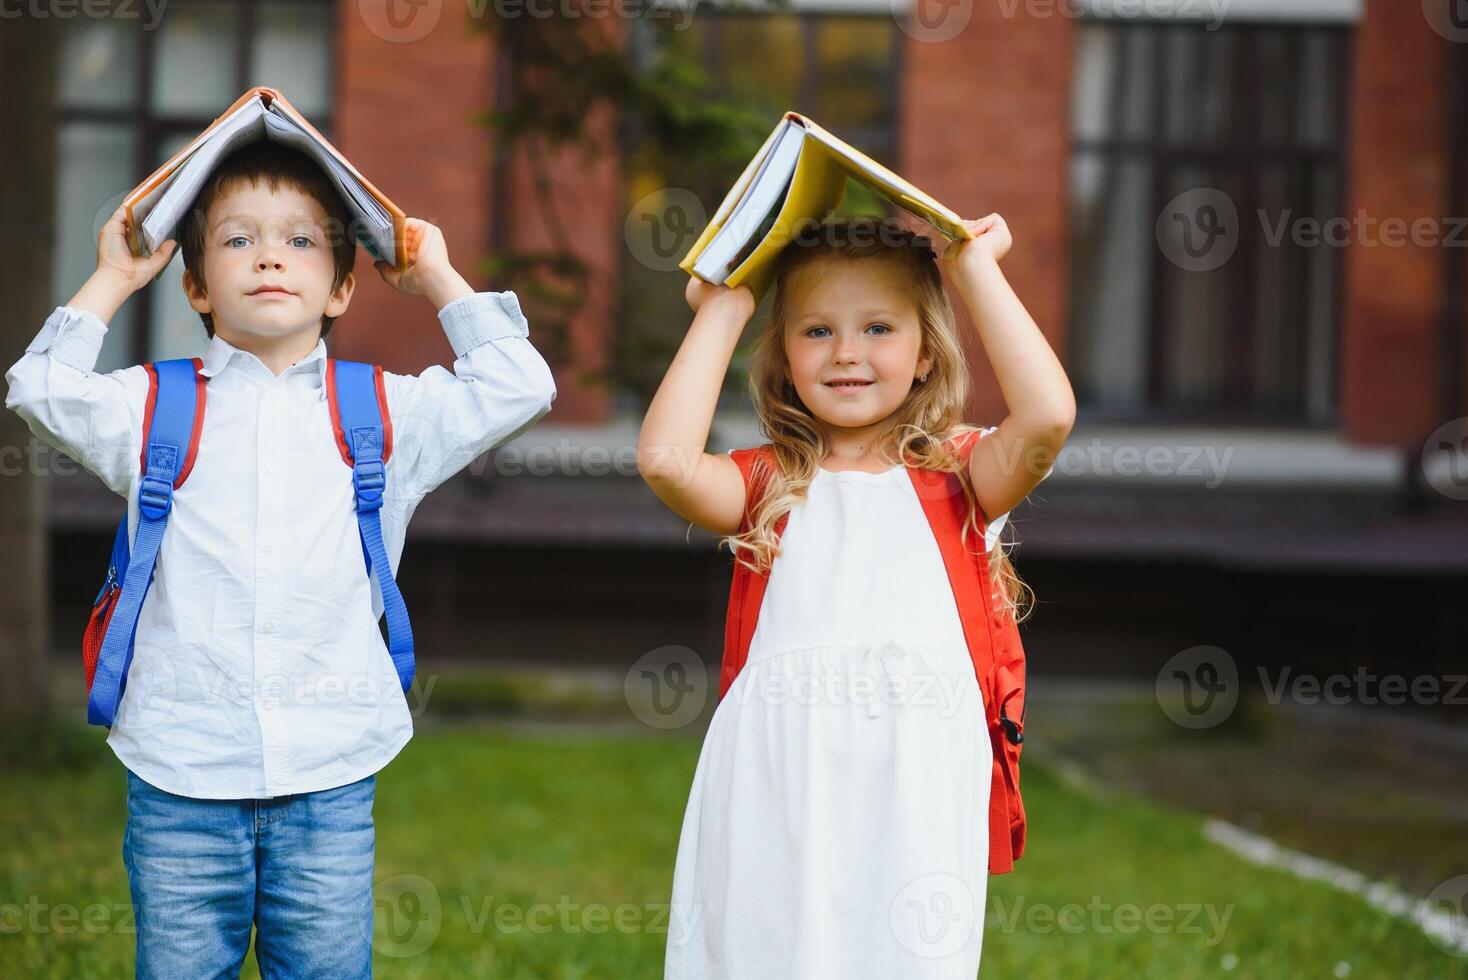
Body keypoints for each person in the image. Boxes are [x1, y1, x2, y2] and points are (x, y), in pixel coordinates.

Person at [3, 141, 557, 978]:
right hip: (181, 775)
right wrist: (115, 276)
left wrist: (436, 277)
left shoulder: (383, 410)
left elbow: (520, 383)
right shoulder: (151, 405)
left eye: (301, 240)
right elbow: (38, 387)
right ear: (193, 283)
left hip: (328, 778)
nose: (268, 254)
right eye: (237, 240)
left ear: (342, 286)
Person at [637, 213, 1074, 978]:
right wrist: (726, 309)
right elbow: (669, 463)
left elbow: (1048, 416)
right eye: (815, 332)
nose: (846, 353)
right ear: (781, 360)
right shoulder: (767, 483)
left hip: (916, 776)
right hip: (778, 776)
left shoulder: (960, 477)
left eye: (878, 328)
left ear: (927, 355)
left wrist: (976, 272)